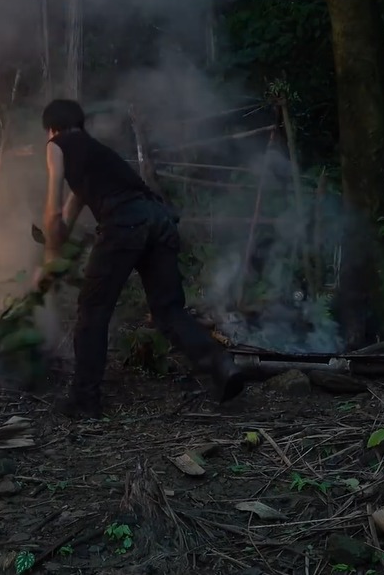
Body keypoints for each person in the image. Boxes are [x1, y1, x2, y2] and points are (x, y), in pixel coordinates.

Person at [33, 98, 246, 418]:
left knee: (92, 310)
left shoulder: (56, 145)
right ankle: (221, 364)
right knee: (167, 310)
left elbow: (52, 214)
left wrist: (48, 263)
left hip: (125, 223)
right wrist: (57, 248)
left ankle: (85, 401)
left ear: (52, 128)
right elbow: (67, 217)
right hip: (158, 219)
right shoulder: (96, 154)